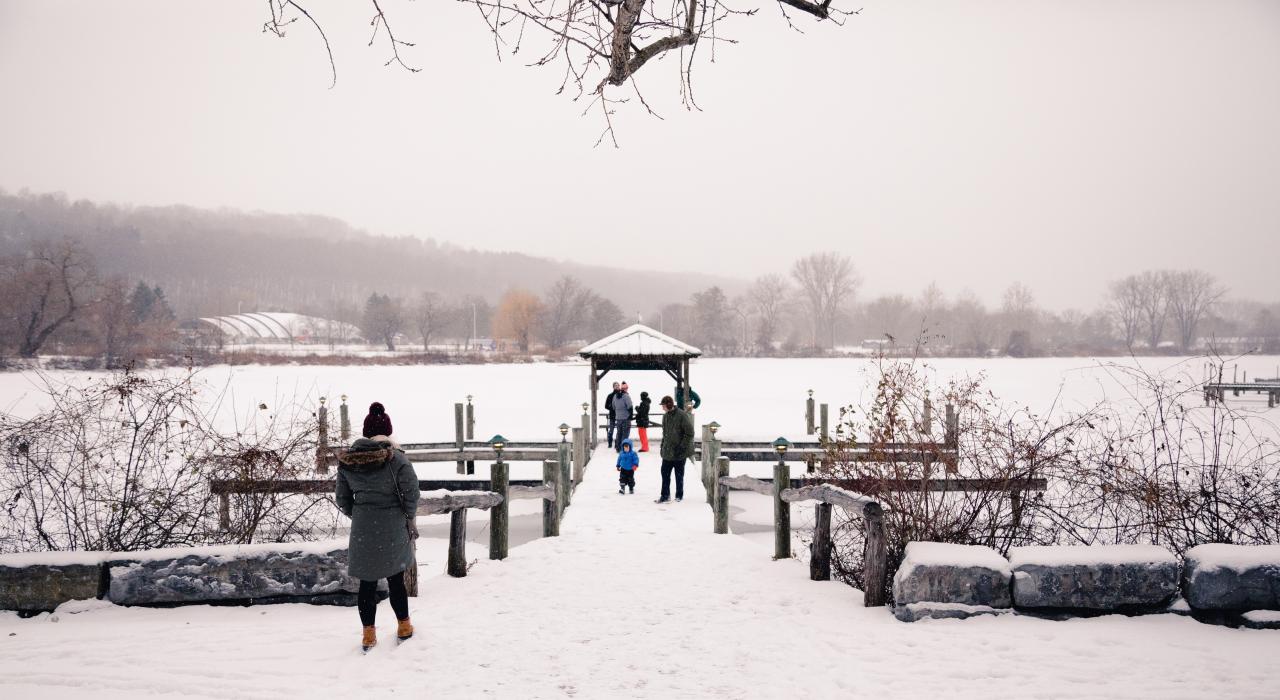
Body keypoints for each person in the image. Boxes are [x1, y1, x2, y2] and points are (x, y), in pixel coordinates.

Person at [335, 437, 421, 652]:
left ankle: (368, 635)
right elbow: (412, 492)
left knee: (367, 583)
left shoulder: (347, 463)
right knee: (396, 579)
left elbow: (342, 499)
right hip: (393, 524)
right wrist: (407, 515)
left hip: (363, 527)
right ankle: (404, 626)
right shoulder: (396, 460)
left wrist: (360, 514)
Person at [656, 395, 695, 503]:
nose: (662, 408)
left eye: (663, 405)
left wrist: (682, 446)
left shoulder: (682, 415)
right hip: (668, 452)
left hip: (680, 452)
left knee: (679, 475)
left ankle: (679, 496)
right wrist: (662, 446)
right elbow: (665, 433)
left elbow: (690, 432)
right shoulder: (665, 416)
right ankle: (665, 495)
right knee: (664, 473)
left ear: (669, 405)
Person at [613, 381, 634, 453]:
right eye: (626, 388)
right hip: (626, 418)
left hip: (618, 418)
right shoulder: (626, 396)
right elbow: (630, 406)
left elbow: (613, 406)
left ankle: (618, 447)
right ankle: (623, 449)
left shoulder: (615, 396)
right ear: (625, 388)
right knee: (625, 434)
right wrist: (630, 415)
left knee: (619, 433)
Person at [604, 382, 620, 449]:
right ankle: (610, 443)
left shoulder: (621, 395)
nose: (617, 387)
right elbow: (606, 406)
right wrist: (612, 408)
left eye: (617, 386)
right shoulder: (610, 395)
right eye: (615, 386)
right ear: (613, 387)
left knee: (619, 430)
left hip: (619, 415)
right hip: (612, 416)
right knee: (611, 430)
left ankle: (617, 443)